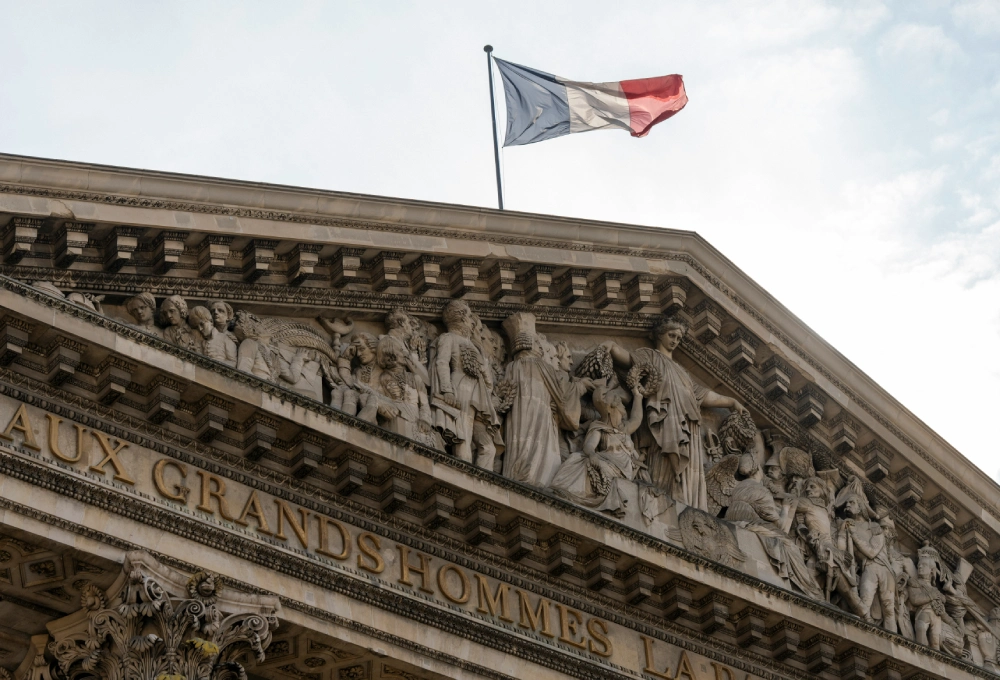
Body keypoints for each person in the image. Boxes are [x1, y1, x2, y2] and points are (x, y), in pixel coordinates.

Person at [605, 315, 746, 511]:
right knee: (665, 469)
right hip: (663, 425)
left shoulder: (683, 374)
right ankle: (663, 509)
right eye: (671, 335)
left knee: (688, 474)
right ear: (660, 335)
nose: (674, 341)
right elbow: (630, 360)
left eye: (678, 338)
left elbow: (704, 396)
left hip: (689, 431)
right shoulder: (651, 357)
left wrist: (731, 401)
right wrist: (611, 347)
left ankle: (688, 510)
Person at [501, 312, 592, 487]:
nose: (541, 349)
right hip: (541, 417)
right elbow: (562, 392)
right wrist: (582, 386)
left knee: (522, 449)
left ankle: (519, 474)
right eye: (537, 343)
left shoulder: (512, 366)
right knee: (540, 455)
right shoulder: (540, 365)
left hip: (519, 420)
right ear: (531, 344)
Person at [550, 383, 644, 517]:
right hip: (607, 462)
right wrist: (592, 455)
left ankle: (569, 493)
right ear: (613, 406)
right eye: (621, 404)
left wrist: (638, 396)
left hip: (622, 468)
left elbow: (637, 418)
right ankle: (563, 491)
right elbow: (589, 446)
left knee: (584, 465)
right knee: (576, 459)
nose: (624, 407)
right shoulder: (599, 426)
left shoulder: (624, 429)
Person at [431, 301, 501, 469]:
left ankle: (484, 486)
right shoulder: (449, 338)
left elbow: (486, 378)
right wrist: (447, 391)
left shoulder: (474, 345)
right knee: (464, 435)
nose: (473, 321)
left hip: (479, 395)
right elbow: (441, 363)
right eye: (470, 316)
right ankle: (464, 473)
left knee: (489, 447)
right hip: (461, 387)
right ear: (461, 318)